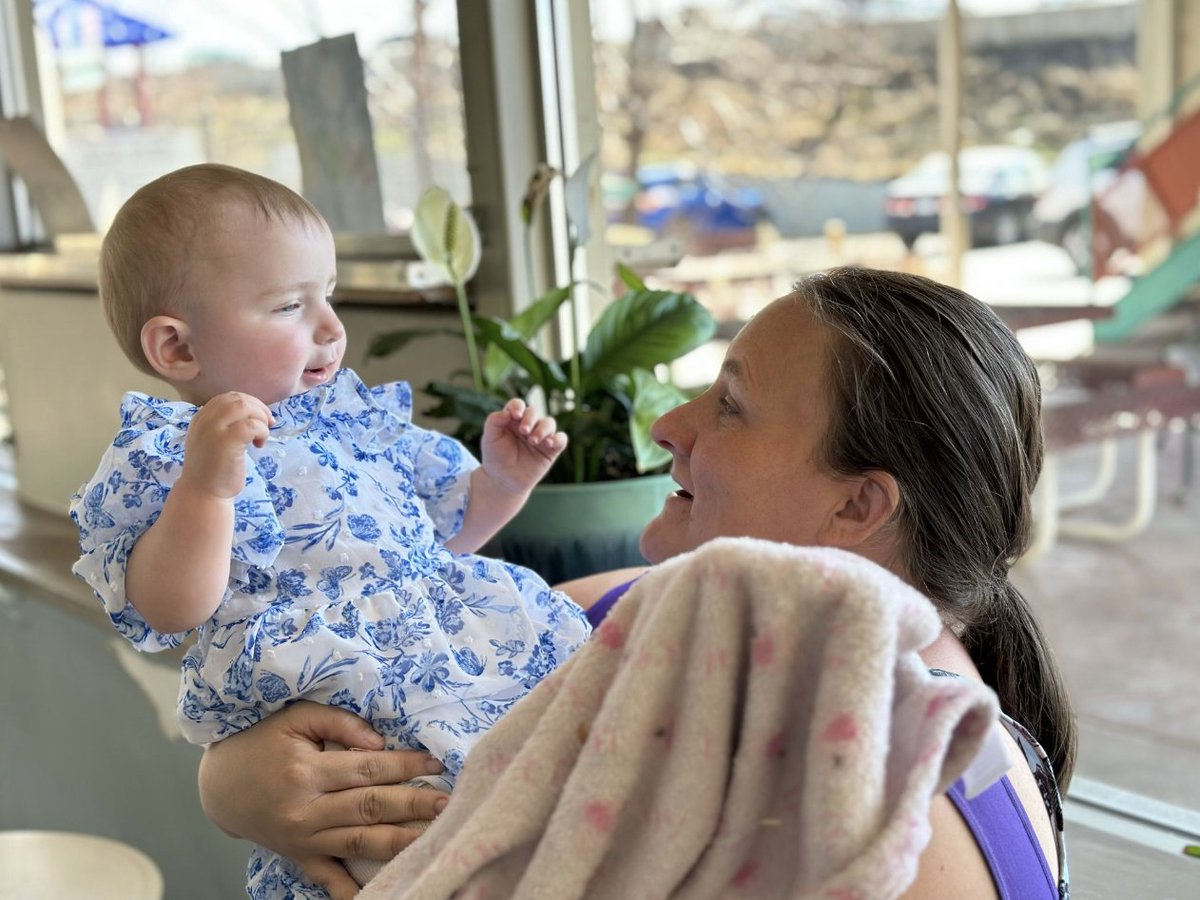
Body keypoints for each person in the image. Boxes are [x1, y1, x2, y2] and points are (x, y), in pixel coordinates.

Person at [199, 266, 1075, 900]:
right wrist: (236, 785)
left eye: (730, 404)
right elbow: (363, 705)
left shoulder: (908, 807)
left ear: (858, 505)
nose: (670, 424)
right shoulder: (622, 612)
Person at [69, 164, 592, 899]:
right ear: (178, 350)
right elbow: (168, 606)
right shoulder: (166, 456)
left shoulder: (352, 419)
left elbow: (443, 541)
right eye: (290, 304)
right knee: (424, 841)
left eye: (329, 295)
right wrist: (206, 489)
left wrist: (503, 483)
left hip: (456, 658)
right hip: (350, 701)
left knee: (544, 796)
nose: (331, 327)